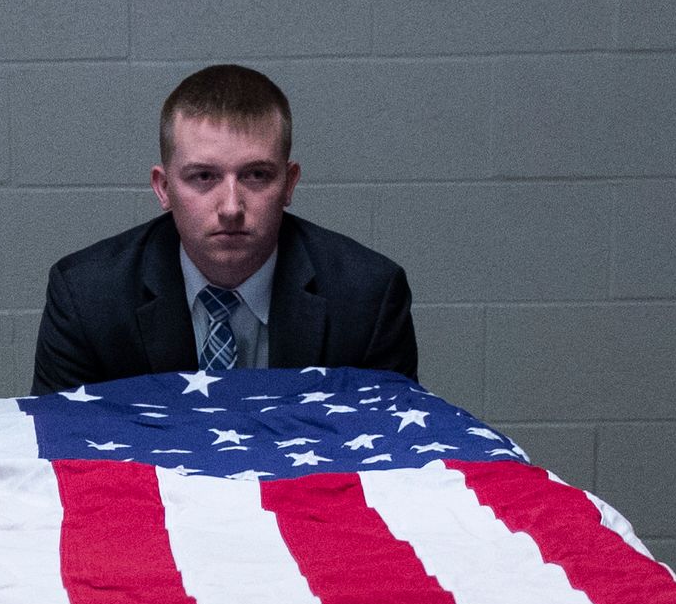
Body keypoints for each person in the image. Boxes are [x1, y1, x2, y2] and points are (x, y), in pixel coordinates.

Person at [30, 65, 418, 394]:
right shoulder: (88, 297)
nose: (231, 207)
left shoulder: (369, 297)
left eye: (257, 175)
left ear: (289, 183)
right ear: (163, 188)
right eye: (203, 176)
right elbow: (60, 466)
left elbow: (392, 466)